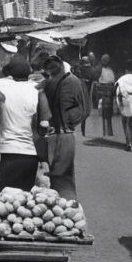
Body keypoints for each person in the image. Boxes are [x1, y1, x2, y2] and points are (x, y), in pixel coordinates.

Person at [0, 57, 46, 192]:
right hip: (32, 154)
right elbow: (42, 126)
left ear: (9, 73)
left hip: (10, 151)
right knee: (24, 198)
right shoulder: (36, 89)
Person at [40, 53, 87, 199]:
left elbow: (83, 110)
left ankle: (62, 210)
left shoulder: (49, 84)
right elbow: (83, 110)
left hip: (53, 136)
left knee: (55, 179)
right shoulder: (69, 81)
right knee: (61, 179)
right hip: (61, 135)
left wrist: (66, 121)